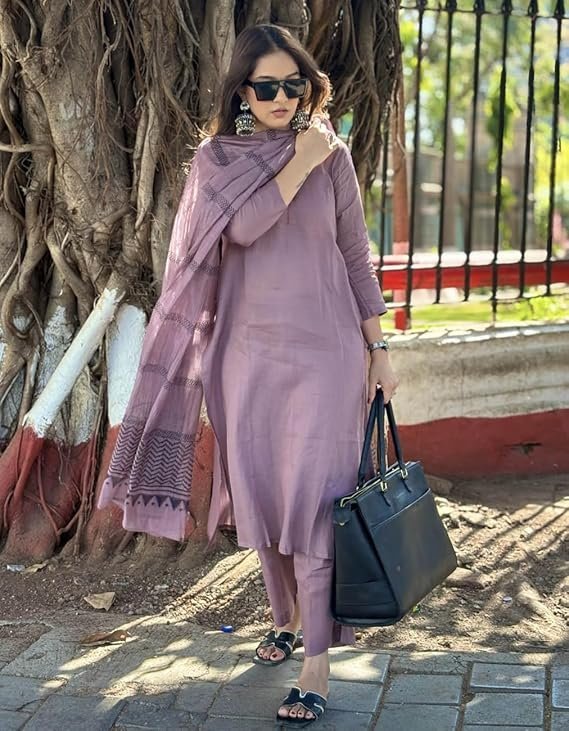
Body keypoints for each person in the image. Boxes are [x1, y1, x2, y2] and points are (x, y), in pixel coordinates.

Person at [99, 23, 398, 729]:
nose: (282, 97)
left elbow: (355, 253)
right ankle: (285, 616)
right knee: (263, 496)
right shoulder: (215, 161)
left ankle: (316, 663)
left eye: (294, 84)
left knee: (317, 502)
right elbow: (244, 228)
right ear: (241, 92)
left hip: (327, 356)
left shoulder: (331, 155)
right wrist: (299, 159)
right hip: (244, 359)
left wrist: (379, 348)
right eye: (266, 86)